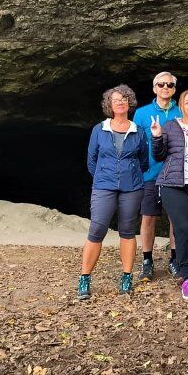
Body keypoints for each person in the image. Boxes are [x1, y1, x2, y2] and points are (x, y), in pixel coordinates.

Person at [78, 85, 150, 301]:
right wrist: (103, 176)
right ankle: (84, 277)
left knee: (128, 230)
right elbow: (92, 160)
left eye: (124, 99)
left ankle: (126, 276)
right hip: (104, 186)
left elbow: (143, 161)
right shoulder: (99, 129)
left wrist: (130, 175)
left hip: (132, 187)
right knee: (97, 229)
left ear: (129, 103)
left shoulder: (138, 130)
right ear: (109, 104)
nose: (120, 102)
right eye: (116, 100)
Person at [151, 89, 188, 300]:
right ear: (181, 106)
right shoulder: (172, 126)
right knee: (183, 228)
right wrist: (157, 136)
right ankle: (186, 277)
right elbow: (158, 155)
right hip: (173, 185)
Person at [132, 71, 182, 280]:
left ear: (174, 89)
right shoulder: (142, 114)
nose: (165, 88)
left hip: (174, 173)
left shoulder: (182, 112)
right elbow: (135, 144)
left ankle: (174, 259)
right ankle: (147, 260)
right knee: (148, 217)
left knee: (175, 218)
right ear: (154, 88)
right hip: (149, 173)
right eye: (161, 85)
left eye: (169, 85)